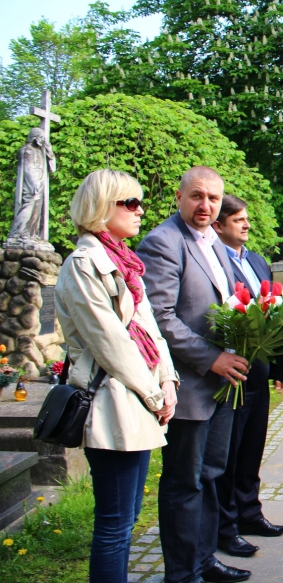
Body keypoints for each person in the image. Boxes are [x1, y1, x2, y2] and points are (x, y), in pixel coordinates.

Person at [55, 169, 178, 582]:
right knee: (114, 523)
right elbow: (111, 343)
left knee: (128, 517)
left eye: (140, 202)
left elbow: (149, 329)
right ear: (100, 208)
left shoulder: (124, 263)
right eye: (130, 203)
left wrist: (168, 381)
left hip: (137, 399)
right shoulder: (83, 264)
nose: (140, 210)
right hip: (111, 402)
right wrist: (155, 395)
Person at [137, 167, 251, 583]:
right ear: (179, 197)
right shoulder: (163, 242)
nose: (206, 205)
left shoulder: (215, 242)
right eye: (197, 196)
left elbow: (228, 302)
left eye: (213, 199)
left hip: (221, 384)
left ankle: (205, 561)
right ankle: (182, 574)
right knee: (184, 483)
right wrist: (212, 358)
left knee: (211, 475)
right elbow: (160, 317)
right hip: (188, 385)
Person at [211, 195, 283, 559]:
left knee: (252, 447)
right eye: (238, 219)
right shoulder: (213, 261)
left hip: (258, 369)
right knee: (229, 452)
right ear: (218, 225)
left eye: (246, 219)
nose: (246, 225)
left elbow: (274, 312)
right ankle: (225, 525)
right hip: (230, 371)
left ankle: (249, 513)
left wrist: (278, 364)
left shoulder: (256, 260)